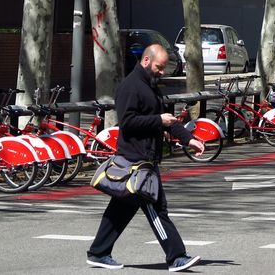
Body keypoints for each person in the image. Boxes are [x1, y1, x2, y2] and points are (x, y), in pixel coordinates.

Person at [87, 43, 205, 272]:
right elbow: (128, 123)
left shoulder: (150, 86)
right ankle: (176, 256)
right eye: (159, 67)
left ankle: (98, 252)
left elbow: (165, 119)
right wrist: (159, 121)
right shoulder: (131, 87)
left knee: (121, 208)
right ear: (146, 61)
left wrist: (188, 138)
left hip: (145, 158)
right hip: (136, 160)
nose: (162, 72)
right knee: (156, 207)